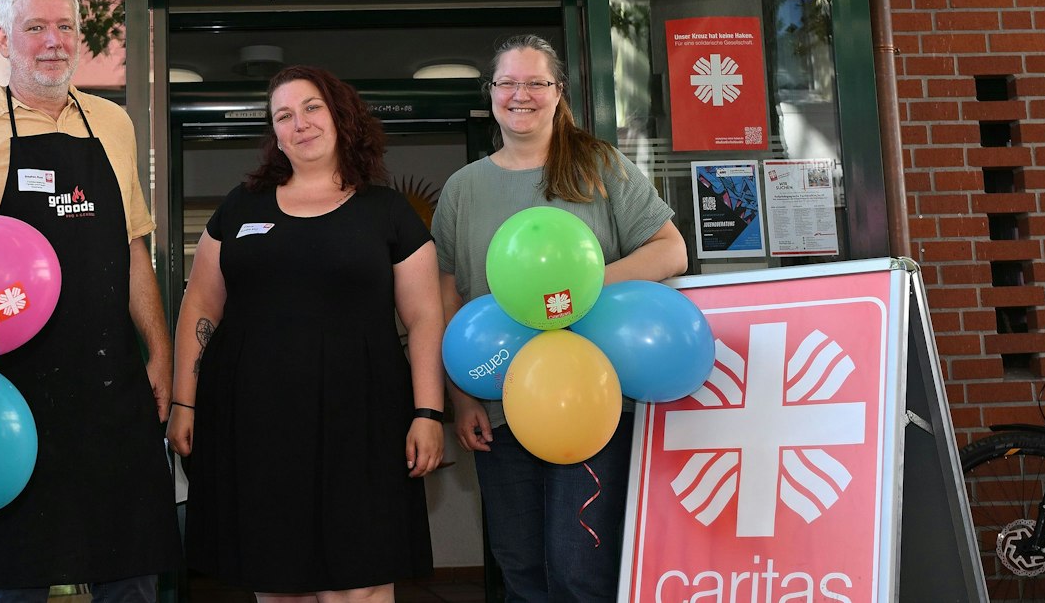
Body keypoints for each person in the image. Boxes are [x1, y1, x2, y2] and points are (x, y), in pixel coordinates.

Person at [0, 0, 180, 603]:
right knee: (13, 579)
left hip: (110, 386)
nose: (53, 41)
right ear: (2, 39)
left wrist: (160, 352)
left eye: (64, 26)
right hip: (3, 396)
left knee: (130, 571)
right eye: (35, 28)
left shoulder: (113, 124)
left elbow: (132, 247)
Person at [168, 65, 443, 602]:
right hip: (254, 421)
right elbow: (200, 304)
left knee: (359, 585)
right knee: (277, 584)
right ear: (274, 133)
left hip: (362, 421)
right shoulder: (239, 208)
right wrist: (184, 402)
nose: (301, 124)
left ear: (340, 115)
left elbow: (425, 318)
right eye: (284, 116)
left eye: (312, 108)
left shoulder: (388, 213)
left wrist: (427, 414)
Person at [434, 35, 688, 603]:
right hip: (500, 401)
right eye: (507, 83)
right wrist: (461, 397)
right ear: (490, 94)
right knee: (520, 569)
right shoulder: (463, 190)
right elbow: (450, 293)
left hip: (590, 403)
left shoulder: (597, 165)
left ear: (558, 94)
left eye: (536, 83)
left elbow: (671, 251)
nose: (520, 95)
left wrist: (579, 293)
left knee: (580, 573)